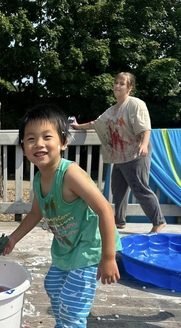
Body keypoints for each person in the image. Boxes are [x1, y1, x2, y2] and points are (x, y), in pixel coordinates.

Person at [3, 104, 122, 328]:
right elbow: (35, 213)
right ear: (23, 146)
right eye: (30, 138)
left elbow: (105, 209)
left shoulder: (70, 174)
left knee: (72, 304)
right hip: (67, 247)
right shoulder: (38, 178)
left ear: (64, 142)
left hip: (91, 248)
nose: (38, 144)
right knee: (53, 286)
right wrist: (12, 239)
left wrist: (108, 257)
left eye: (47, 137)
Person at [71, 72, 166, 233]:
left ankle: (159, 222)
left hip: (137, 153)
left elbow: (146, 127)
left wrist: (143, 145)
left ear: (130, 87)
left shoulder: (135, 104)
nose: (117, 86)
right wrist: (78, 126)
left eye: (122, 83)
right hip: (120, 156)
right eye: (116, 83)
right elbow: (96, 123)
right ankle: (119, 221)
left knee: (140, 188)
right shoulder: (112, 110)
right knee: (118, 189)